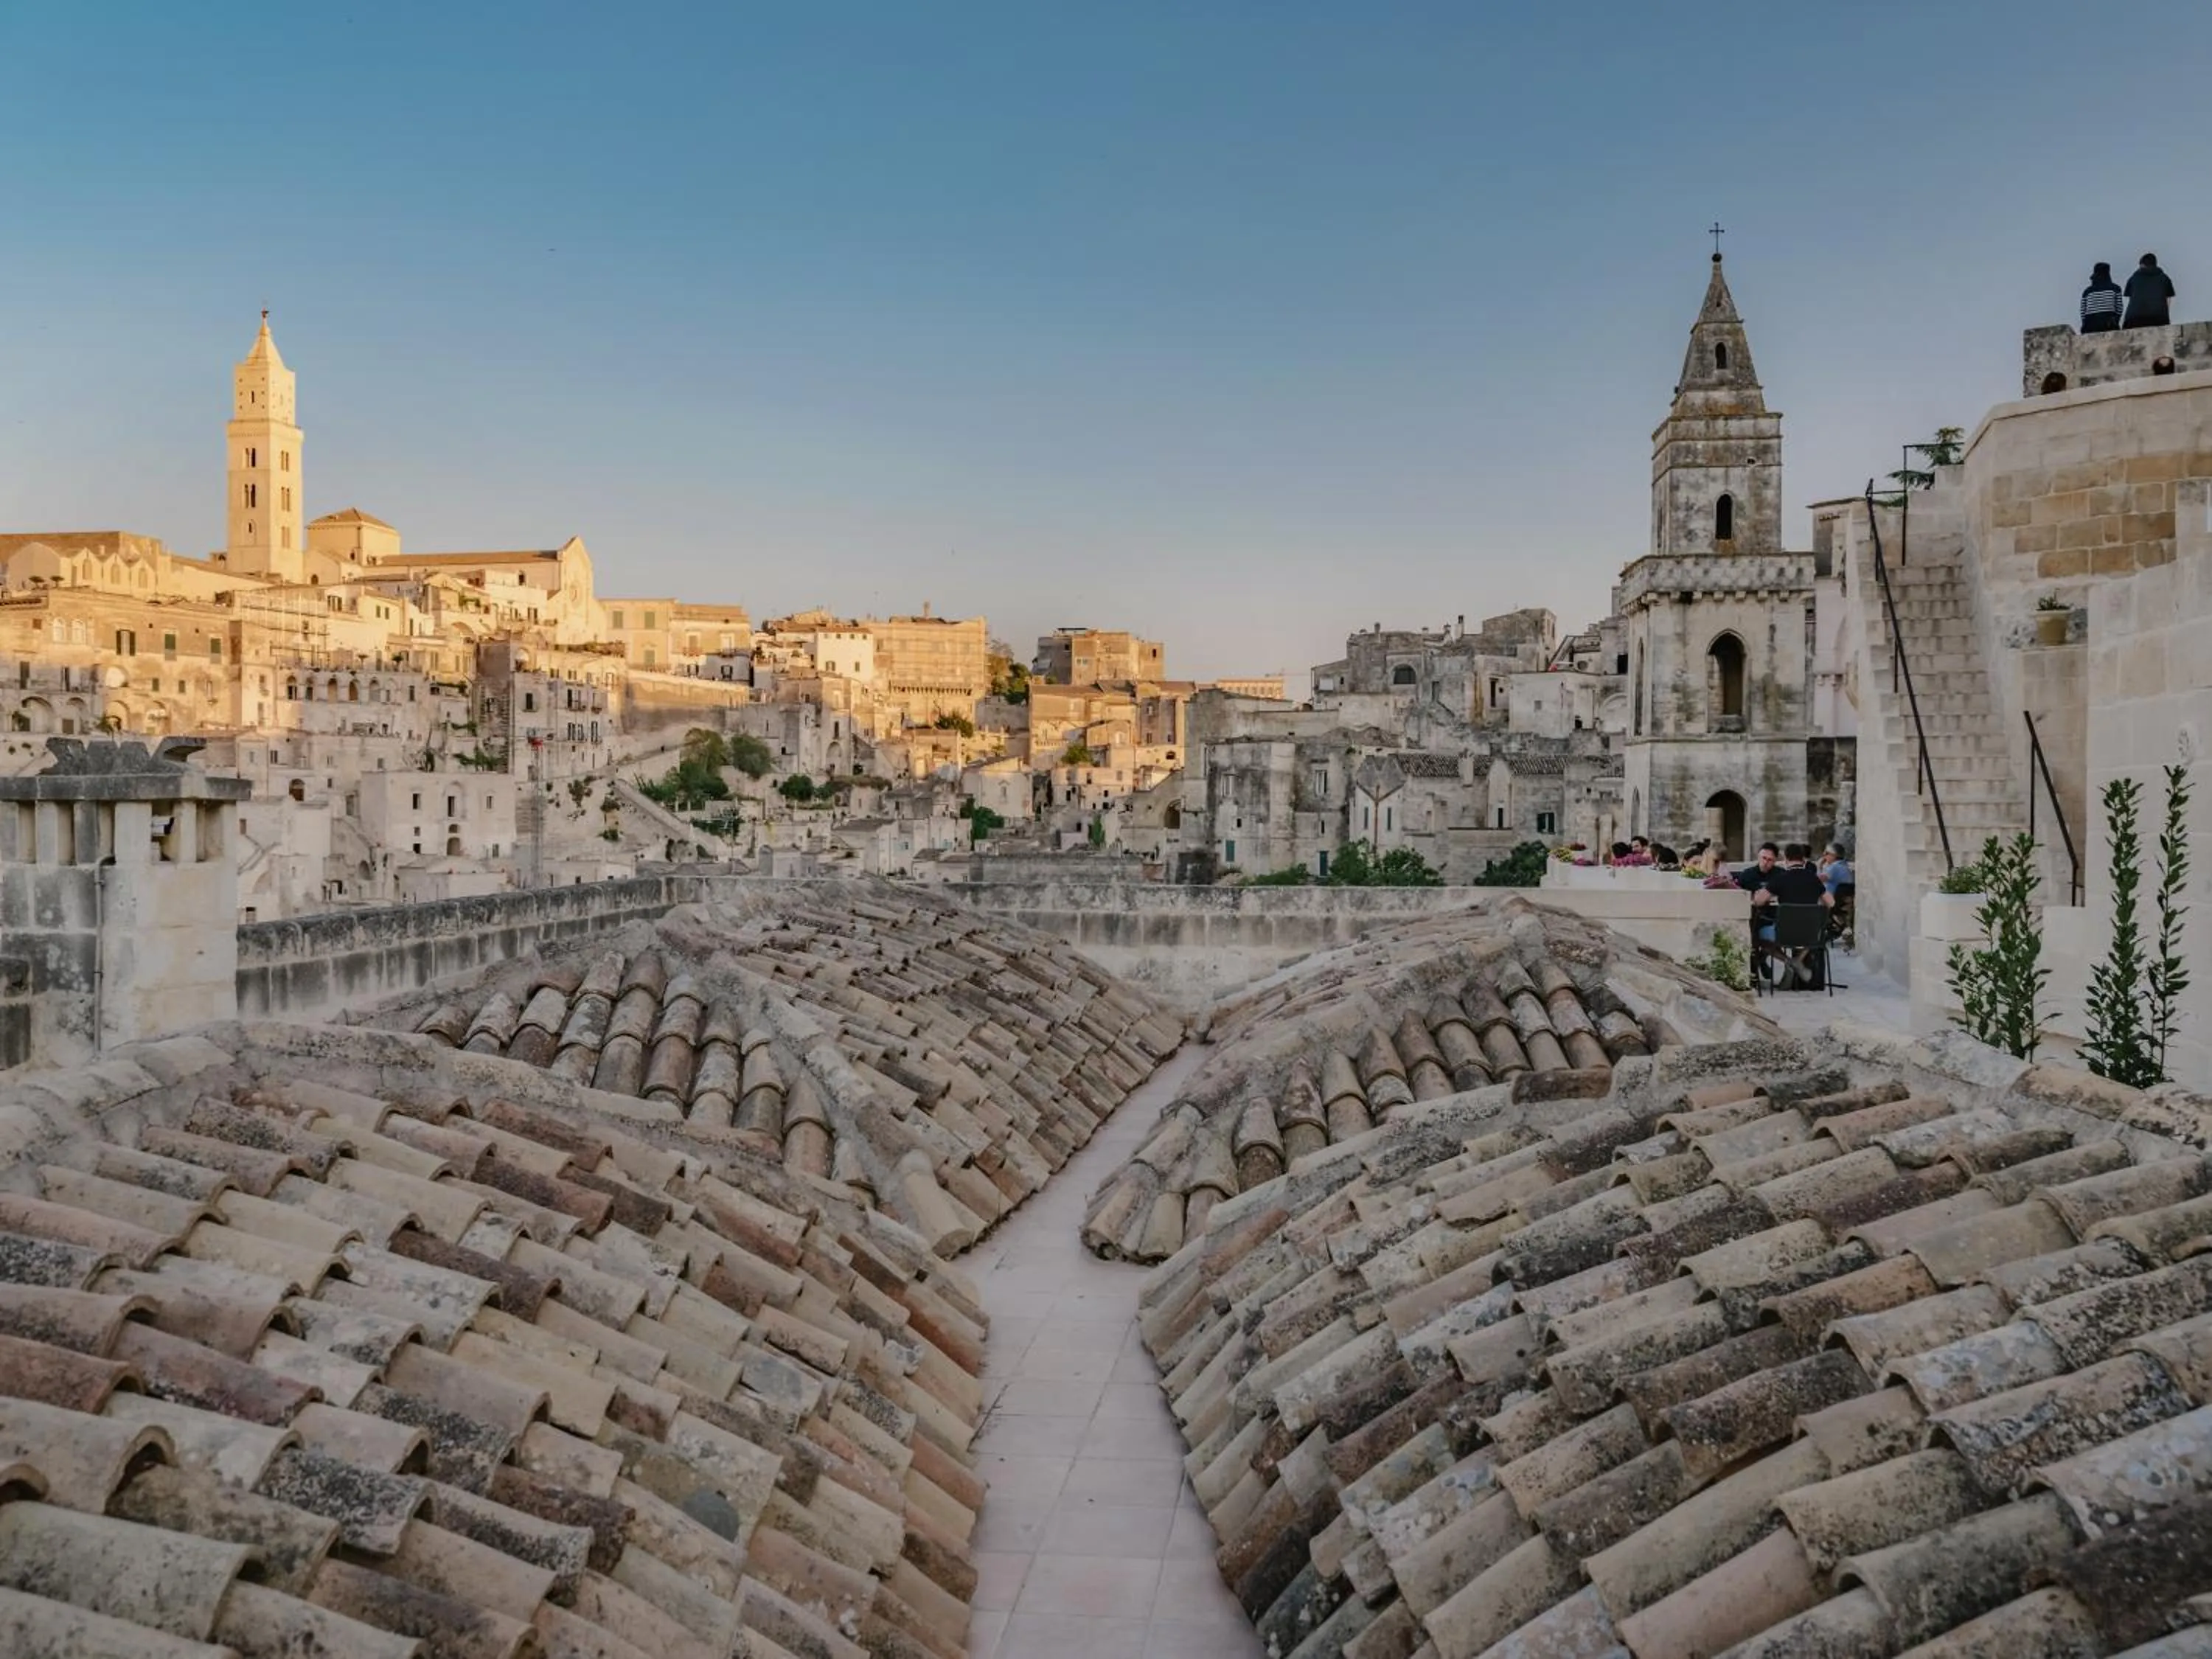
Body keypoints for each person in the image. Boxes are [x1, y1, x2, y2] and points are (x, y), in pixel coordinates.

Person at [1751, 843, 1833, 987]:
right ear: (1804, 860)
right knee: (1815, 935)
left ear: (1785, 859)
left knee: (1758, 937)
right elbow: (1831, 903)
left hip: (1784, 933)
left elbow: (1758, 902)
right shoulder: (1814, 879)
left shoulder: (1780, 879)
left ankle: (1789, 961)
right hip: (1811, 933)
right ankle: (1798, 962)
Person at [2124, 253, 2175, 330]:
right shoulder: (2165, 278)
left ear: (2142, 265)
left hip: (2133, 320)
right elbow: (2168, 300)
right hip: (2159, 319)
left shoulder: (2133, 278)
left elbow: (2131, 299)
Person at [2081, 262, 2124, 333]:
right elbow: (2119, 309)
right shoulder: (2115, 288)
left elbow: (2083, 312)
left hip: (2089, 326)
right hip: (2108, 325)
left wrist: (2085, 324)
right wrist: (2115, 321)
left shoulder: (2087, 292)